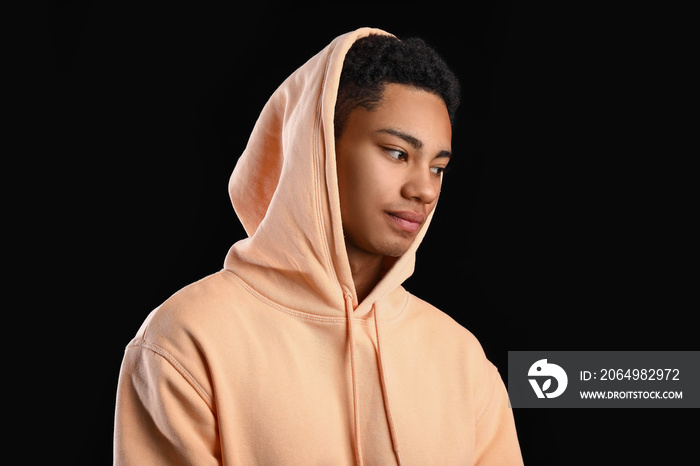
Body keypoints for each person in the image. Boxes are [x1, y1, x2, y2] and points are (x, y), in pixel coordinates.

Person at [114, 27, 523, 465]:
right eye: (397, 152)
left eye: (438, 167)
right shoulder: (186, 340)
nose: (424, 189)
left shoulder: (462, 360)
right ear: (320, 149)